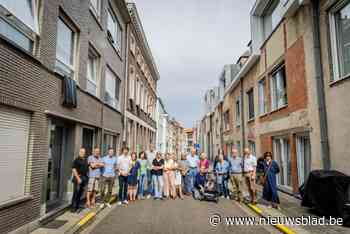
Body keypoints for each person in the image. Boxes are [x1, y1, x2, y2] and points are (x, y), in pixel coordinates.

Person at [71, 147, 89, 213]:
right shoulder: (76, 160)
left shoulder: (85, 159)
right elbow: (73, 169)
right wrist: (78, 178)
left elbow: (87, 168)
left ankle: (77, 206)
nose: (83, 153)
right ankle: (73, 208)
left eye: (84, 152)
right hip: (78, 178)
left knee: (80, 193)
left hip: (83, 178)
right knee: (76, 193)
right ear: (79, 152)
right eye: (81, 152)